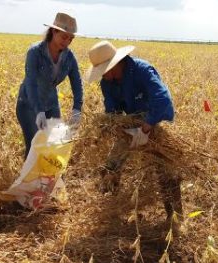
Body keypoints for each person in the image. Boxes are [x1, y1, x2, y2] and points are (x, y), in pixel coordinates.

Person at [86, 40, 183, 235]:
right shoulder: (107, 82)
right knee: (109, 168)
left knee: (166, 172)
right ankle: (110, 213)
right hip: (130, 129)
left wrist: (147, 127)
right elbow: (112, 110)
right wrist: (116, 128)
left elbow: (162, 100)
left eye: (104, 70)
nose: (103, 76)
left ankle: (176, 220)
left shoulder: (142, 71)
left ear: (114, 65)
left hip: (153, 125)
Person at [16, 12, 83, 158]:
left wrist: (77, 108)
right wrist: (38, 111)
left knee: (55, 145)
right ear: (54, 31)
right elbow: (31, 83)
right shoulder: (35, 52)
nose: (66, 42)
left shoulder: (69, 57)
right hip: (28, 105)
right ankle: (30, 180)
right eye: (64, 37)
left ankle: (50, 179)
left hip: (51, 104)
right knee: (35, 145)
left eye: (70, 39)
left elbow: (77, 82)